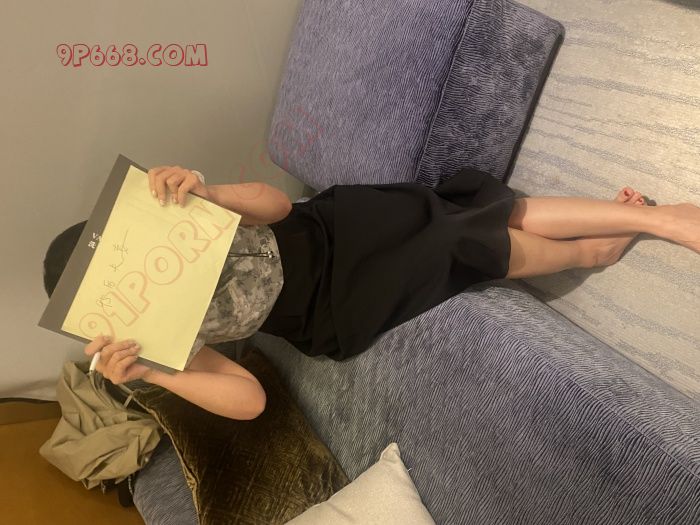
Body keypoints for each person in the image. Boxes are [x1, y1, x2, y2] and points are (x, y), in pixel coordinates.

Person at [42, 165, 700, 421]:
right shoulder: (156, 334)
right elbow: (249, 400)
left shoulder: (175, 217)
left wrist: (209, 192)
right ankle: (604, 244)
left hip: (332, 228)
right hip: (332, 306)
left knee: (455, 219)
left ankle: (654, 222)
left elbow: (277, 205)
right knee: (453, 239)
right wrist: (154, 371)